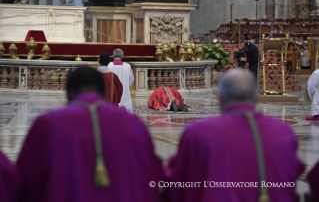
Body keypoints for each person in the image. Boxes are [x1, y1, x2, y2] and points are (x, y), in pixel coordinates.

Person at [16, 67, 163, 202]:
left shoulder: (48, 125)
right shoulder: (133, 124)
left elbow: (25, 181)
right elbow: (152, 176)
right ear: (105, 92)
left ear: (67, 93)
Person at [164, 69, 304, 202]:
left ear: (219, 96)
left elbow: (178, 185)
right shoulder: (283, 133)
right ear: (257, 97)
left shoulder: (198, 132)